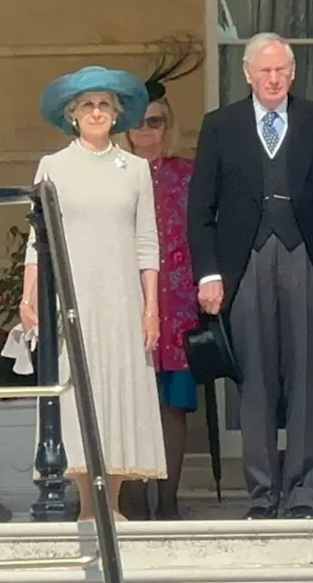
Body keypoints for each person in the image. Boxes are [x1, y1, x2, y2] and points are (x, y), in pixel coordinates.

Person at [187, 32, 313, 520]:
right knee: (256, 382)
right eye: (263, 71)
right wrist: (209, 274)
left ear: (292, 74)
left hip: (305, 257)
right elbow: (200, 209)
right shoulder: (221, 126)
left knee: (307, 377)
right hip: (244, 263)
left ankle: (304, 495)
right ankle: (263, 497)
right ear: (247, 74)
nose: (272, 79)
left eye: (280, 71)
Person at [19, 65, 166, 521]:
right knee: (78, 389)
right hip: (73, 295)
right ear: (72, 115)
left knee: (118, 389)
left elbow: (147, 242)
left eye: (105, 104)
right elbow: (35, 240)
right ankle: (85, 505)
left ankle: (112, 502)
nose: (97, 112)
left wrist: (151, 308)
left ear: (117, 113)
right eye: (88, 105)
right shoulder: (53, 167)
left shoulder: (135, 169)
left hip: (123, 298)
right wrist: (28, 299)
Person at [119, 45, 202, 520]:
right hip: (128, 303)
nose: (146, 131)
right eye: (138, 122)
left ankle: (168, 502)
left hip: (178, 306)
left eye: (155, 122)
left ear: (167, 126)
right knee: (130, 404)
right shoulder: (114, 175)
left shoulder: (187, 175)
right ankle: (131, 501)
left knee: (173, 407)